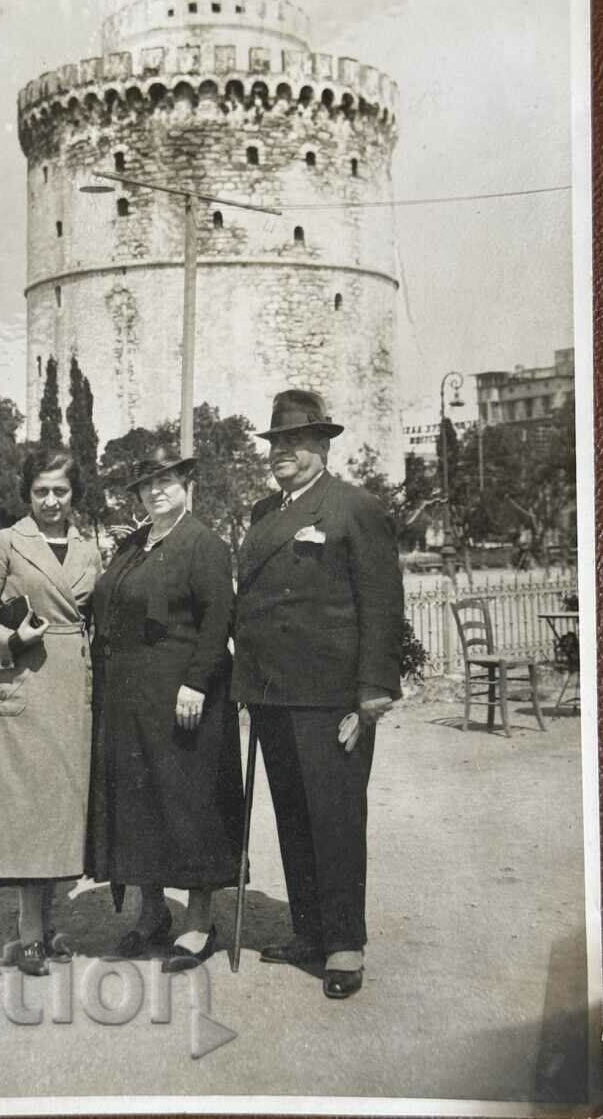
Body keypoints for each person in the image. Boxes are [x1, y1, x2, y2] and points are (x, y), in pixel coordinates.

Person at [232, 389, 404, 999]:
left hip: (334, 698)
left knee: (336, 819)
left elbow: (383, 605)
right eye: (276, 442)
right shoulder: (261, 514)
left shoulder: (354, 507)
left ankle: (343, 943)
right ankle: (308, 929)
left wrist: (373, 692)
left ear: (322, 446)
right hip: (275, 696)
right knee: (295, 819)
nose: (283, 452)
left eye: (296, 442)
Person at [87, 444, 243, 972]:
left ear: (186, 484)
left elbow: (218, 620)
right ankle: (151, 912)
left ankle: (200, 922)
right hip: (130, 698)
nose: (155, 491)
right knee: (140, 803)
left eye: (166, 481)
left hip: (184, 699)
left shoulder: (205, 545)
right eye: (145, 485)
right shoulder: (132, 544)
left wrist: (197, 683)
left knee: (188, 804)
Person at [0, 447, 102, 976]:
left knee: (61, 809)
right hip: (22, 685)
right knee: (27, 811)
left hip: (70, 690)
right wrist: (9, 637)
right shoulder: (5, 543)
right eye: (41, 490)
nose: (50, 500)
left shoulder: (90, 549)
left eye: (60, 491)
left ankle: (47, 926)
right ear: (27, 493)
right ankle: (28, 934)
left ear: (74, 496)